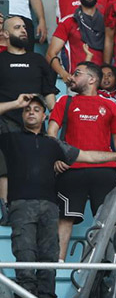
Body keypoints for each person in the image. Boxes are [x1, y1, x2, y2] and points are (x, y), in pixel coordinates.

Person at [0, 94, 116, 298]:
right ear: (21, 115)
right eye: (27, 110)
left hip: (49, 207)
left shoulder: (53, 144)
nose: (31, 112)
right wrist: (16, 103)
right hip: (22, 206)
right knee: (25, 256)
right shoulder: (12, 139)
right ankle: (25, 295)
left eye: (37, 109)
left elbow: (89, 155)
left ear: (45, 116)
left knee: (49, 260)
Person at [46, 62, 116, 261]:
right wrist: (56, 156)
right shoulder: (65, 101)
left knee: (107, 220)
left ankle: (105, 265)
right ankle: (59, 262)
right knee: (65, 218)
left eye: (77, 73)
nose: (71, 77)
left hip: (105, 169)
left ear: (92, 79)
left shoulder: (110, 105)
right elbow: (51, 133)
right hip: (71, 168)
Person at [0, 16, 58, 208]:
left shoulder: (37, 60)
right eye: (17, 28)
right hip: (5, 122)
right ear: (6, 34)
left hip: (34, 122)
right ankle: (7, 206)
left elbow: (49, 92)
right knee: (6, 164)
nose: (24, 30)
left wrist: (55, 118)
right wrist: (15, 104)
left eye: (24, 27)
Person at [46, 0, 105, 84]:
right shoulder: (68, 21)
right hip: (78, 83)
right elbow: (50, 54)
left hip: (103, 82)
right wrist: (63, 74)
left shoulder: (107, 22)